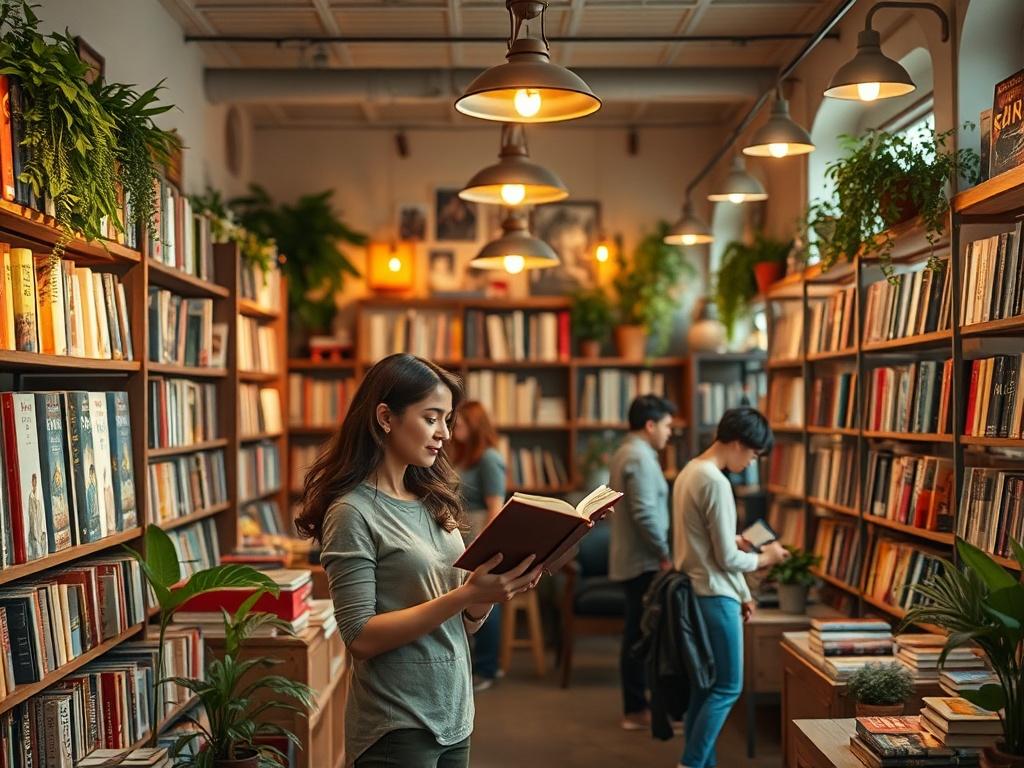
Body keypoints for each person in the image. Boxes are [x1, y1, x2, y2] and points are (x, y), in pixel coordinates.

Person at [296, 353, 542, 768]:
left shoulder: (434, 499)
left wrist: (486, 594)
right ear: (386, 417)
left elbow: (460, 616)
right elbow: (360, 638)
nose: (445, 433)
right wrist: (464, 597)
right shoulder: (352, 512)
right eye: (432, 418)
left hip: (454, 710)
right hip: (397, 723)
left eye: (448, 419)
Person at [672, 407, 790, 768]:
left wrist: (743, 591)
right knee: (727, 688)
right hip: (713, 595)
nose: (752, 463)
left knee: (706, 688)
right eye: (753, 454)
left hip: (697, 590)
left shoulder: (690, 471)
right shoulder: (716, 482)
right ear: (738, 443)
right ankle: (691, 764)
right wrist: (767, 557)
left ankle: (700, 763)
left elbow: (708, 546)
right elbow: (725, 559)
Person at [608, 394, 675, 731]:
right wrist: (665, 553)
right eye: (666, 426)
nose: (669, 434)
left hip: (636, 559)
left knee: (638, 633)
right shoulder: (640, 457)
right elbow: (645, 513)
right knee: (640, 636)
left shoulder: (627, 452)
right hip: (644, 561)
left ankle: (639, 707)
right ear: (650, 425)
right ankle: (636, 709)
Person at [449, 400, 507, 692]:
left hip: (480, 536)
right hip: (463, 536)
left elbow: (496, 507)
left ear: (475, 424)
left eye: (461, 421)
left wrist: (484, 546)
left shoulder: (489, 459)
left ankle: (488, 667)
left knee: (485, 600)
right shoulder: (463, 457)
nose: (454, 425)